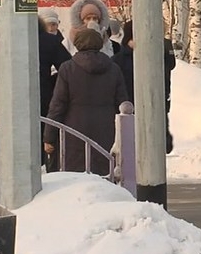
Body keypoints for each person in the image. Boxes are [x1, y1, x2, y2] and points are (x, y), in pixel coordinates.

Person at [0, 17, 72, 171]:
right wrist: (51, 88)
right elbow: (67, 71)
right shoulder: (48, 41)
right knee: (41, 159)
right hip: (41, 105)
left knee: (12, 160)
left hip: (7, 107)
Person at [44, 28, 128, 174]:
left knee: (75, 176)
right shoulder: (113, 69)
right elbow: (122, 104)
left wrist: (49, 137)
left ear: (77, 44)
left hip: (73, 132)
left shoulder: (67, 68)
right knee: (104, 173)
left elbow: (58, 105)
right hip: (106, 129)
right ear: (100, 44)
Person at [112, 20, 176, 154]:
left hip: (155, 104)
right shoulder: (120, 60)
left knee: (155, 146)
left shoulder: (159, 53)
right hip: (131, 108)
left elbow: (169, 67)